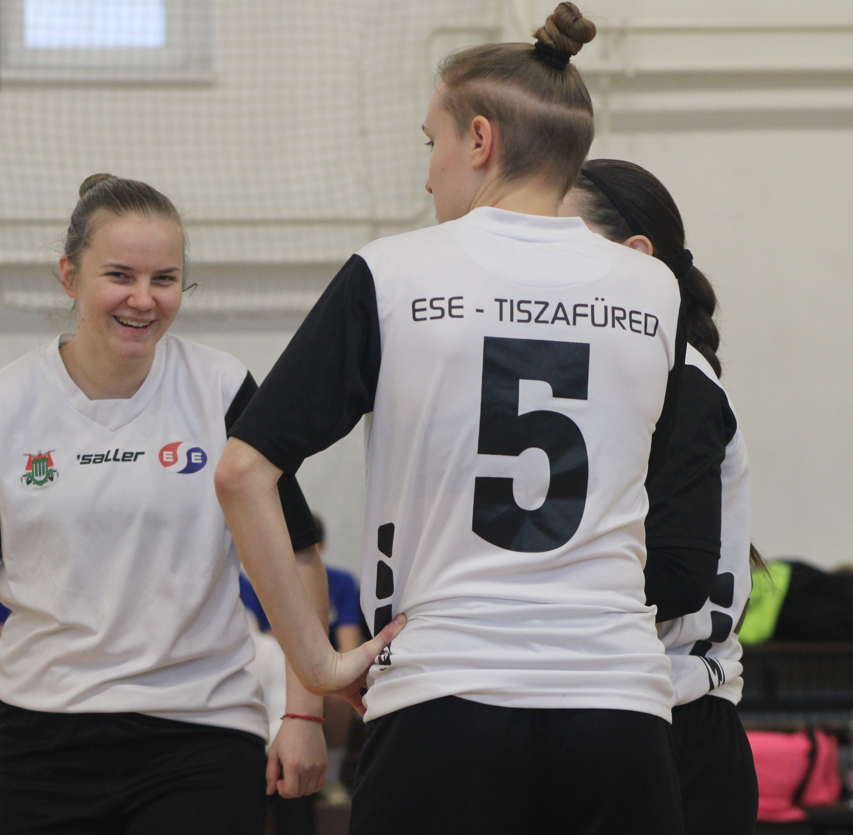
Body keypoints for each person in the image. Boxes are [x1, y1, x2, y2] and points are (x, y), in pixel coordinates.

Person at [215, 5, 705, 833]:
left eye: (429, 142)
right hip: (618, 703)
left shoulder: (392, 272)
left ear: (479, 140)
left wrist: (317, 662)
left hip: (445, 697)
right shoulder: (654, 289)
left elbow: (241, 472)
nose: (428, 174)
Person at [0, 173, 327, 835]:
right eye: (120, 275)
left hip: (202, 730)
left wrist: (303, 712)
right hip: (43, 739)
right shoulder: (1, 406)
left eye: (165, 279)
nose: (143, 299)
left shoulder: (221, 389)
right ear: (69, 275)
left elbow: (296, 555)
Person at [560, 158, 758, 834]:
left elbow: (675, 573)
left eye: (561, 235)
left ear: (635, 256)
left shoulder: (683, 377)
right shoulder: (598, 369)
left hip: (677, 729)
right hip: (606, 716)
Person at [239, 513, 364, 806]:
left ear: (322, 549)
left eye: (309, 550)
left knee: (338, 696)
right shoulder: (256, 582)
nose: (297, 560)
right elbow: (263, 641)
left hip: (326, 669)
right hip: (278, 665)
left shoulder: (341, 582)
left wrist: (327, 672)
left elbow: (348, 645)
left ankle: (331, 778)